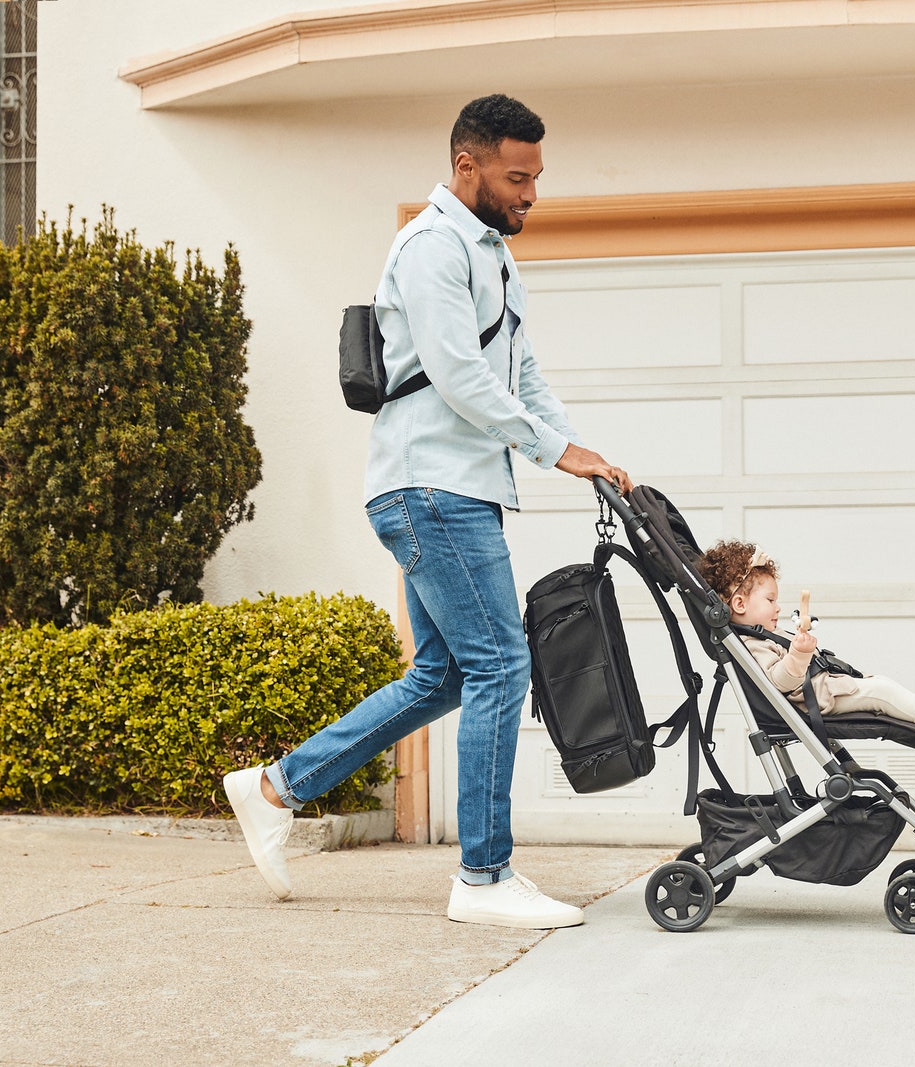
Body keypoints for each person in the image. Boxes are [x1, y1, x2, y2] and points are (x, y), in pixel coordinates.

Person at [224, 94, 632, 929]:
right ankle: (483, 877)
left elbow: (520, 378)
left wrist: (581, 450)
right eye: (517, 178)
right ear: (466, 166)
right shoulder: (432, 248)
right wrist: (555, 452)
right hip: (432, 488)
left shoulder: (493, 254)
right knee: (500, 665)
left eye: (536, 178)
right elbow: (457, 376)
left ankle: (275, 785)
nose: (530, 195)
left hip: (452, 487)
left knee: (444, 673)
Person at [697, 539, 915, 745]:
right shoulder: (750, 645)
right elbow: (779, 681)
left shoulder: (758, 634)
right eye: (770, 600)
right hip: (818, 700)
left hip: (826, 689)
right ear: (738, 603)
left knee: (881, 685)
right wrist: (798, 654)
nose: (777, 608)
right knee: (882, 691)